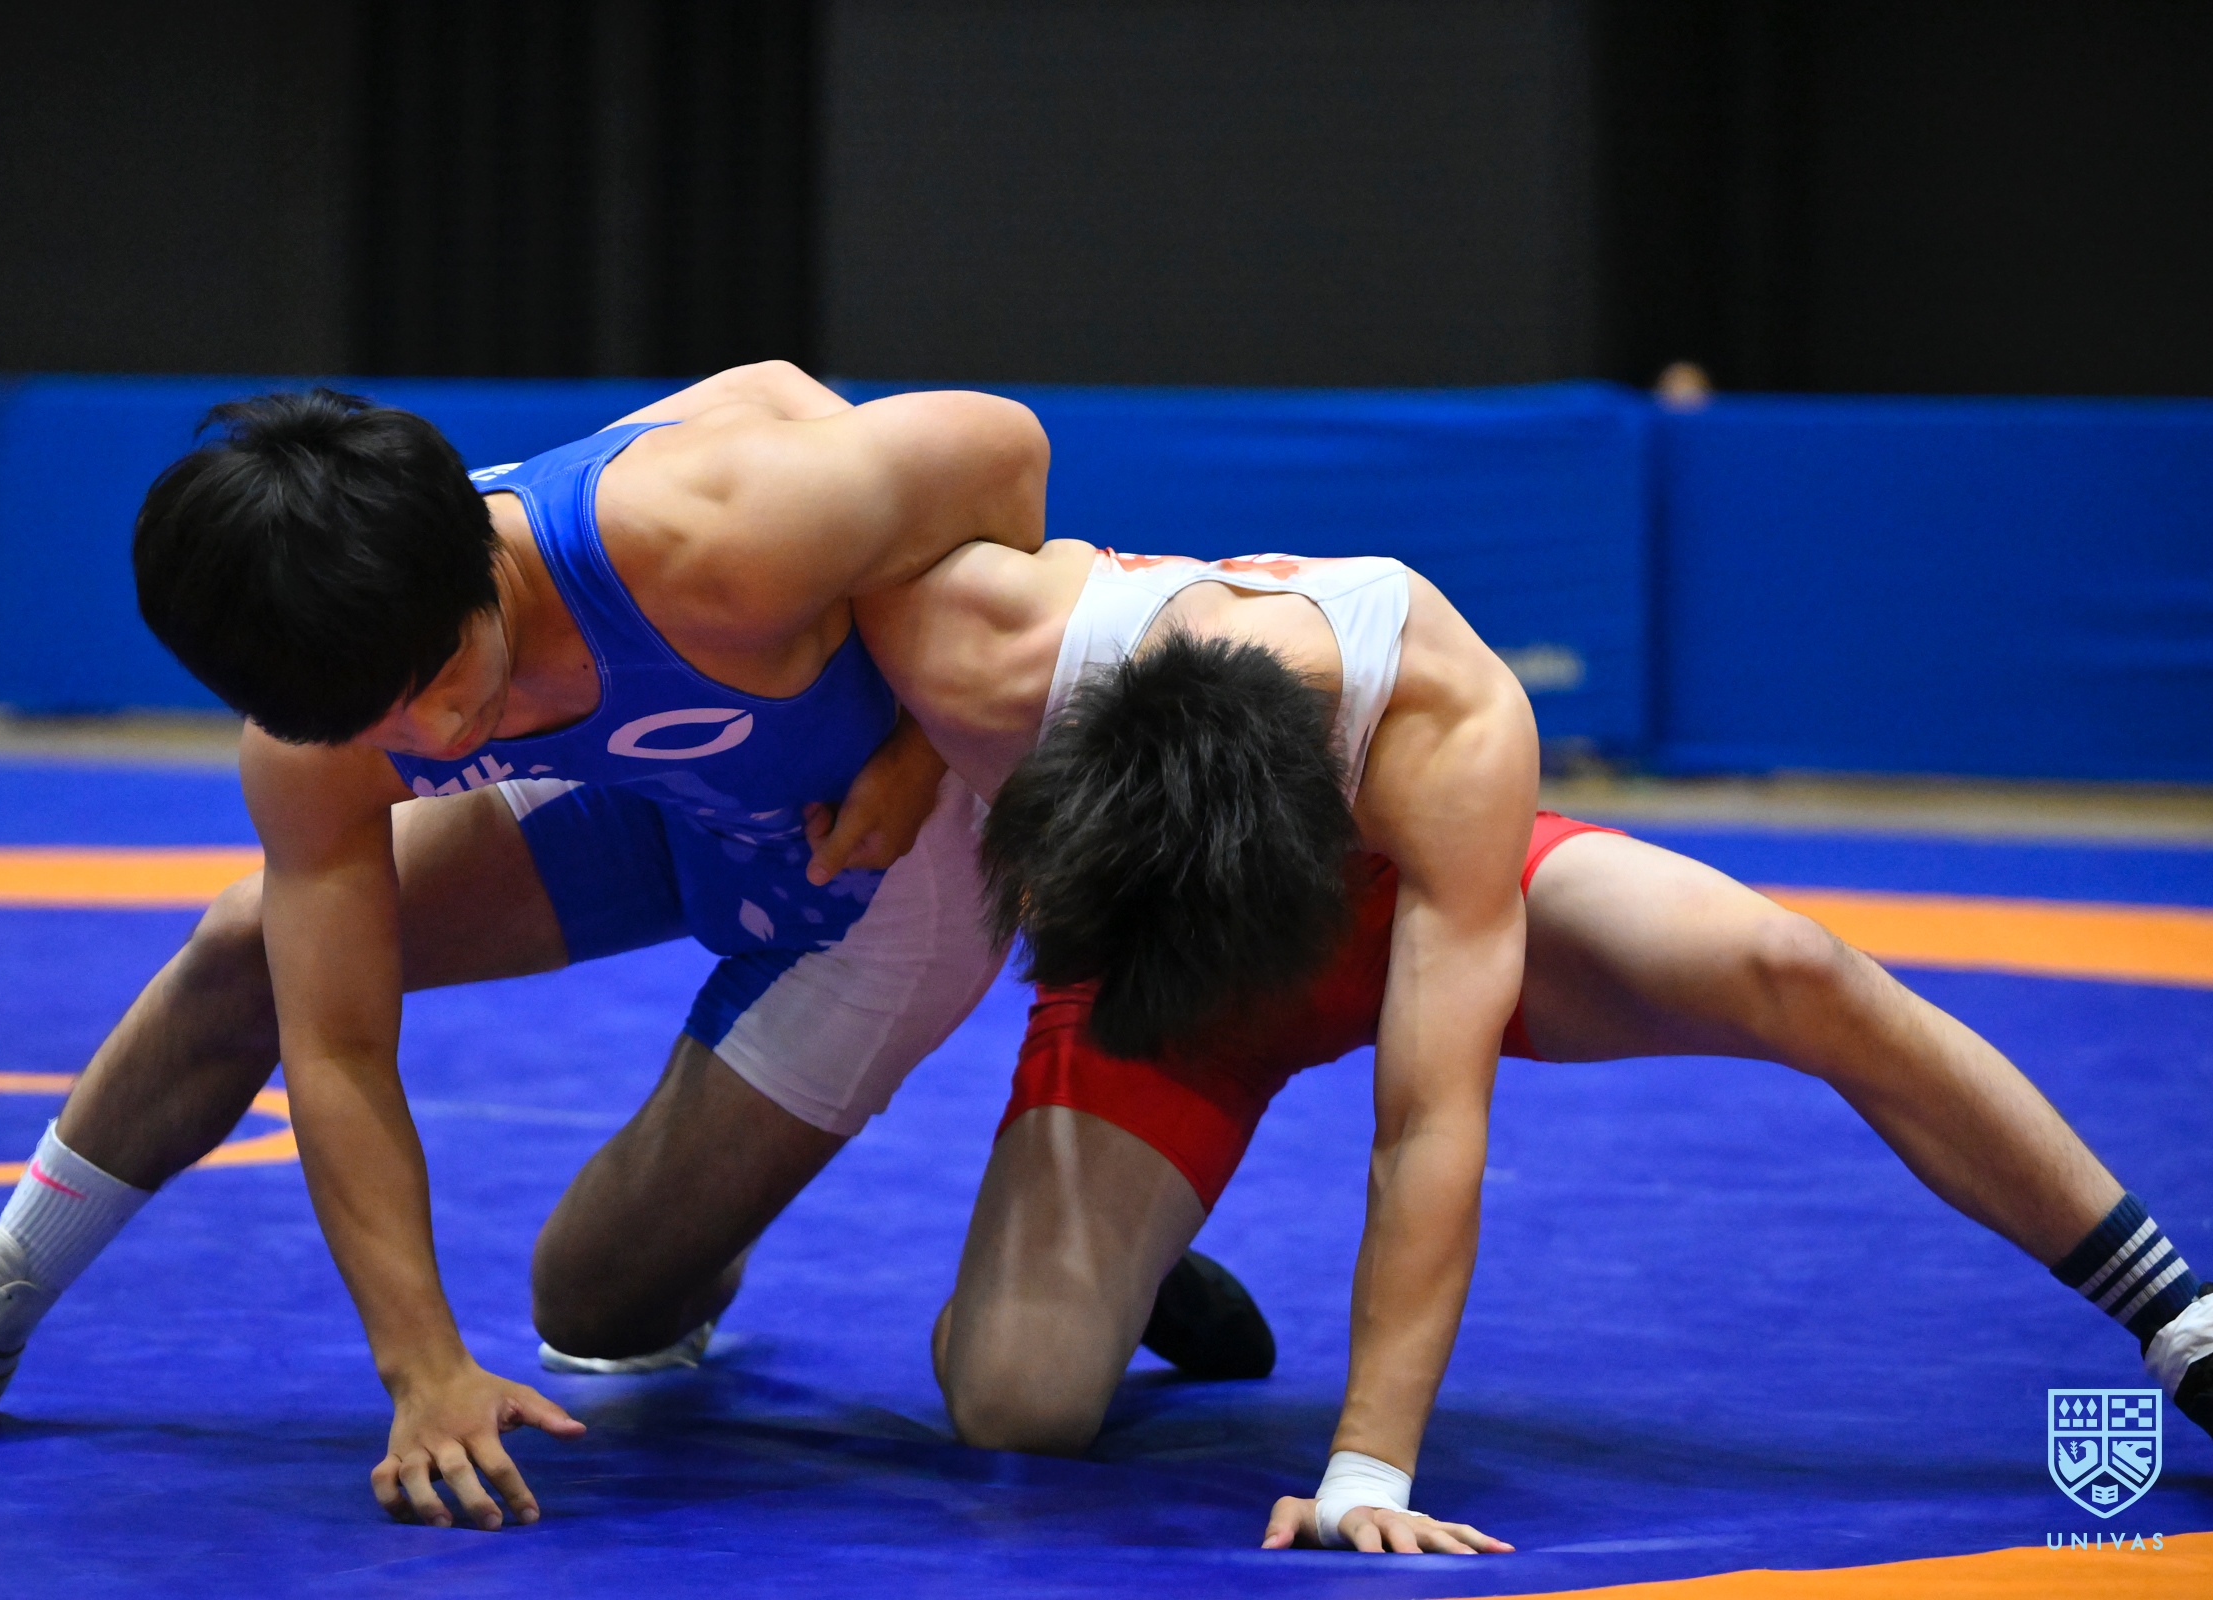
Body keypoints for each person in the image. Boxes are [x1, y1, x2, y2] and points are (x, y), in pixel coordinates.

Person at [0, 364, 1056, 1532]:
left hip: (878, 858)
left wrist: (924, 746)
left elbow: (1007, 451)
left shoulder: (716, 532)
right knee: (255, 939)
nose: (443, 728)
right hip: (653, 792)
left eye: (446, 668)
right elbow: (338, 1048)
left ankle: (884, 1211)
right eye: (382, 718)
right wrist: (424, 1369)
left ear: (476, 554)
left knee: (598, 1302)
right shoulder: (324, 728)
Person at [851, 536, 2213, 1554]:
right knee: (1015, 1404)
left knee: (1792, 967)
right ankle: (1136, 1260)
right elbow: (847, 551)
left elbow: (1426, 1125)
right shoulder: (1007, 641)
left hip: (1422, 899)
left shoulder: (1443, 714)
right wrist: (910, 752)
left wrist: (1367, 1470)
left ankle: (2178, 1316)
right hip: (1165, 957)